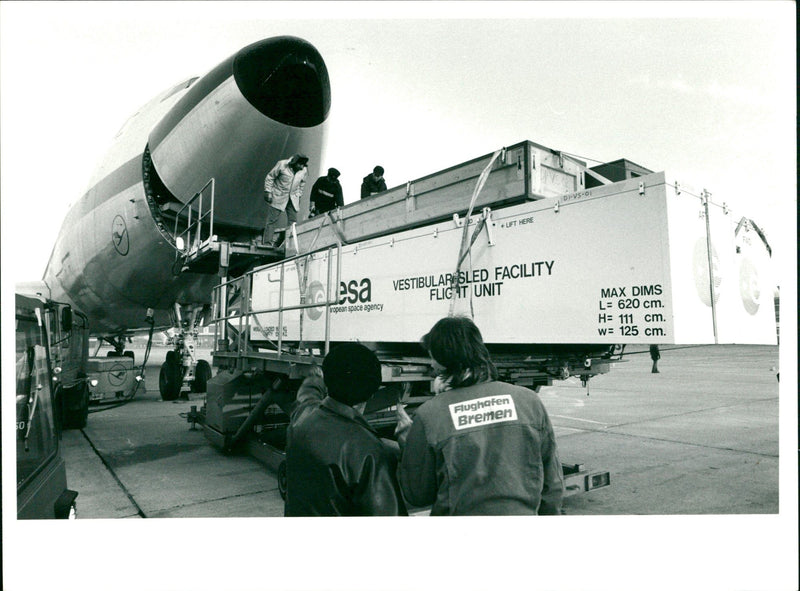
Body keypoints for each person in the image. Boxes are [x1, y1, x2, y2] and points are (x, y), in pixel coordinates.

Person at [396, 316, 564, 515]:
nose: (431, 364)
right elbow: (552, 484)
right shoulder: (529, 401)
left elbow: (417, 495)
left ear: (442, 360)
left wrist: (409, 445)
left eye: (432, 356)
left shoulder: (429, 415)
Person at [284, 343, 407, 516]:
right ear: (372, 393)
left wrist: (315, 378)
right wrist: (410, 447)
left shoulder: (303, 416)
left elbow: (306, 394)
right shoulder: (369, 451)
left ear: (328, 382)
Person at [263, 153, 308, 247]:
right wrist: (268, 192)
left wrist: (299, 195)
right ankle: (267, 243)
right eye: (300, 164)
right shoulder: (282, 165)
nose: (301, 167)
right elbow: (270, 177)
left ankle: (288, 244)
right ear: (294, 163)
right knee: (272, 220)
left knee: (293, 222)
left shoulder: (304, 170)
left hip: (293, 198)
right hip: (279, 195)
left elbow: (302, 184)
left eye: (303, 165)